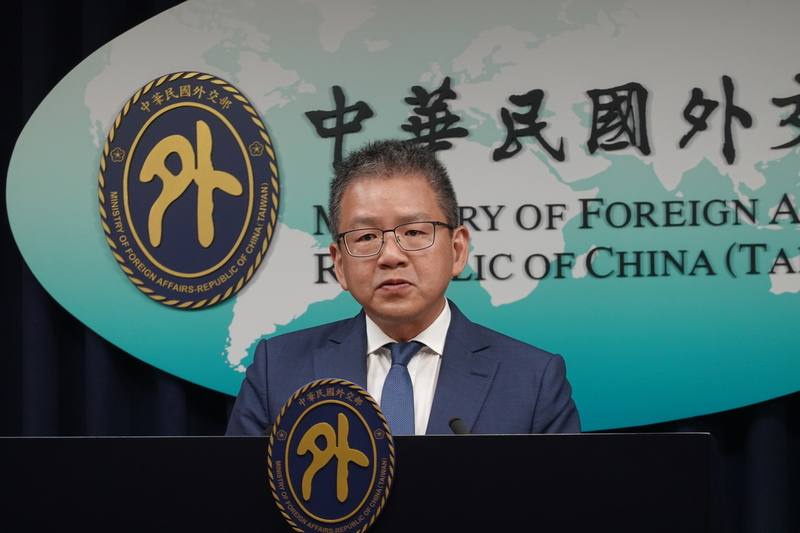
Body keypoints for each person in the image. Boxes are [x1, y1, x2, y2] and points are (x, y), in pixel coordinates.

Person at [226, 140, 580, 435]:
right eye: (366, 236)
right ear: (339, 264)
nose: (391, 256)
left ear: (457, 250)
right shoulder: (278, 370)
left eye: (413, 232)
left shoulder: (532, 380)